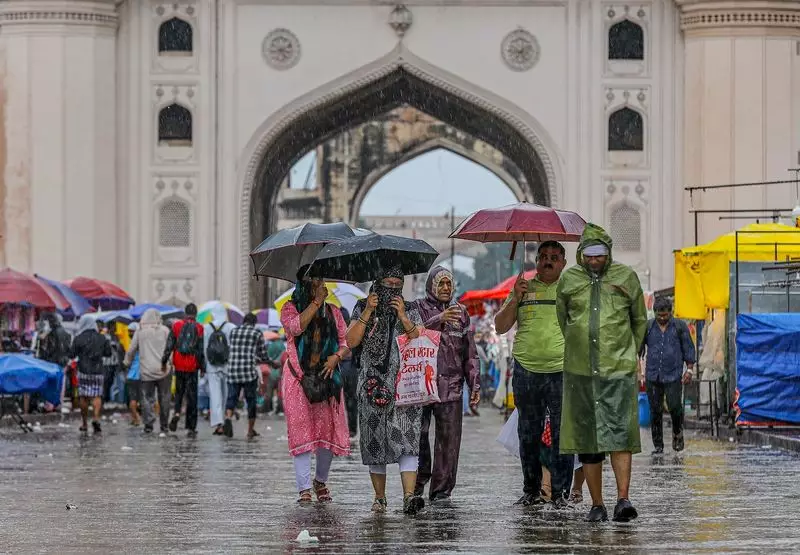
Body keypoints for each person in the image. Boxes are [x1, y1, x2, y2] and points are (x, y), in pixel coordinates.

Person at [556, 224, 648, 523]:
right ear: (581, 255)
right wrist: (580, 346)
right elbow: (563, 319)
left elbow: (638, 321)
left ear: (608, 254)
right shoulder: (569, 280)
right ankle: (597, 503)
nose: (594, 260)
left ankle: (623, 499)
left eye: (599, 255)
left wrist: (626, 352)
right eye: (589, 255)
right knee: (588, 440)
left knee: (620, 434)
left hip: (617, 371)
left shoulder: (626, 278)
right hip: (580, 372)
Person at [494, 240, 573, 508]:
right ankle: (531, 490)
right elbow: (500, 326)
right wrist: (516, 297)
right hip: (527, 369)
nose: (548, 261)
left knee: (564, 435)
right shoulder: (523, 287)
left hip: (561, 370)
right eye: (543, 257)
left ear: (563, 262)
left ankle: (561, 493)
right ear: (536, 261)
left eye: (554, 257)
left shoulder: (570, 289)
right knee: (529, 433)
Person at [347, 267, 426, 515]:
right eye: (387, 283)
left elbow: (420, 337)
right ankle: (380, 498)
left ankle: (409, 497)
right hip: (373, 385)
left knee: (408, 438)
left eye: (397, 283)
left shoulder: (411, 308)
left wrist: (402, 316)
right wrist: (369, 311)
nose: (392, 289)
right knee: (375, 441)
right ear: (377, 283)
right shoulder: (362, 306)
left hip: (405, 384)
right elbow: (351, 341)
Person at [280, 273, 351, 503]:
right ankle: (304, 488)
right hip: (298, 379)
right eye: (315, 282)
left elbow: (345, 342)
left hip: (327, 378)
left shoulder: (333, 312)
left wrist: (336, 357)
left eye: (322, 282)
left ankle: (320, 481)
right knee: (301, 430)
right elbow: (296, 328)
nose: (320, 286)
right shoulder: (290, 308)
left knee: (325, 431)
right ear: (304, 285)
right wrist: (316, 303)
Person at [412, 266, 480, 502]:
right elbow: (412, 333)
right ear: (431, 285)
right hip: (422, 384)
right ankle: (419, 479)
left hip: (451, 385)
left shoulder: (461, 313)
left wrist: (475, 385)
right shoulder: (418, 308)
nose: (445, 288)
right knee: (418, 436)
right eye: (440, 284)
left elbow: (470, 354)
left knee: (449, 440)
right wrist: (438, 319)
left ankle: (441, 489)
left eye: (448, 284)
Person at [640, 298, 696, 454]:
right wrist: (639, 371)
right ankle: (658, 446)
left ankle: (678, 436)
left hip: (673, 375)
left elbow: (688, 349)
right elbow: (639, 349)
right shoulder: (649, 326)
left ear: (670, 312)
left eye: (665, 315)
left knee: (675, 408)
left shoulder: (679, 326)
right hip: (653, 375)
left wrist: (689, 370)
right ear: (655, 313)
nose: (662, 319)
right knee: (655, 411)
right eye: (659, 315)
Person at [162, 303, 205, 437]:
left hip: (179, 365)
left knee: (179, 393)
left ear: (185, 313)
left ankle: (176, 413)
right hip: (192, 366)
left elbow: (169, 345)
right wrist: (202, 367)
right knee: (192, 397)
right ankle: (191, 427)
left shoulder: (176, 326)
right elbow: (200, 350)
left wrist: (163, 361)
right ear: (196, 314)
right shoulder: (199, 328)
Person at [126, 309, 171, 434]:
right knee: (164, 398)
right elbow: (170, 348)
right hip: (163, 370)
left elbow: (131, 349)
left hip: (146, 371)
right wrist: (169, 363)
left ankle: (148, 425)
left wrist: (127, 362)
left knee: (146, 398)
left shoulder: (140, 331)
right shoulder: (165, 330)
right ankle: (164, 425)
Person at [224, 313, 268, 439]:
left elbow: (230, 349)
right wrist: (269, 362)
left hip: (233, 370)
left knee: (231, 398)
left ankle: (228, 417)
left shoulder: (233, 331)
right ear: (254, 323)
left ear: (244, 321)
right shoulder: (256, 333)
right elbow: (263, 355)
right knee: (251, 400)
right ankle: (250, 430)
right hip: (248, 371)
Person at [70, 315, 112, 434]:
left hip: (83, 370)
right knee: (97, 395)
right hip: (98, 370)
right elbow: (108, 353)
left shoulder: (79, 338)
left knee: (83, 396)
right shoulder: (102, 338)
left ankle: (84, 423)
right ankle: (96, 418)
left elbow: (71, 354)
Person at [203, 317, 235, 436]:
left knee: (215, 396)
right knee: (227, 395)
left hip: (212, 366)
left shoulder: (206, 328)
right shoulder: (231, 327)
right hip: (227, 365)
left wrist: (205, 364)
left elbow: (204, 348)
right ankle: (227, 416)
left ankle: (219, 424)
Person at [338, 308, 359, 438]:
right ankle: (352, 429)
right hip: (350, 368)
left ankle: (343, 430)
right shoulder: (352, 328)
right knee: (351, 400)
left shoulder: (335, 329)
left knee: (339, 401)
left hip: (341, 366)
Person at [126, 323, 142, 426]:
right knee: (139, 399)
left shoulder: (132, 345)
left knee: (132, 399)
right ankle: (135, 418)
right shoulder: (143, 344)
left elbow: (127, 361)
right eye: (129, 331)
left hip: (132, 375)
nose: (129, 333)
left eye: (131, 331)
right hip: (142, 375)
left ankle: (136, 418)